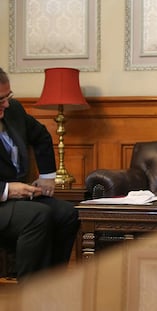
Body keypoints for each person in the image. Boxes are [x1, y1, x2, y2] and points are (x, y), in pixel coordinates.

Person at [0, 67, 79, 281]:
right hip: (3, 198)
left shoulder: (12, 110)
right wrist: (6, 189)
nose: (6, 104)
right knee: (37, 215)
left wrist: (47, 175)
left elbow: (42, 135)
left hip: (15, 199)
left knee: (67, 213)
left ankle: (51, 285)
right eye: (0, 100)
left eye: (8, 97)